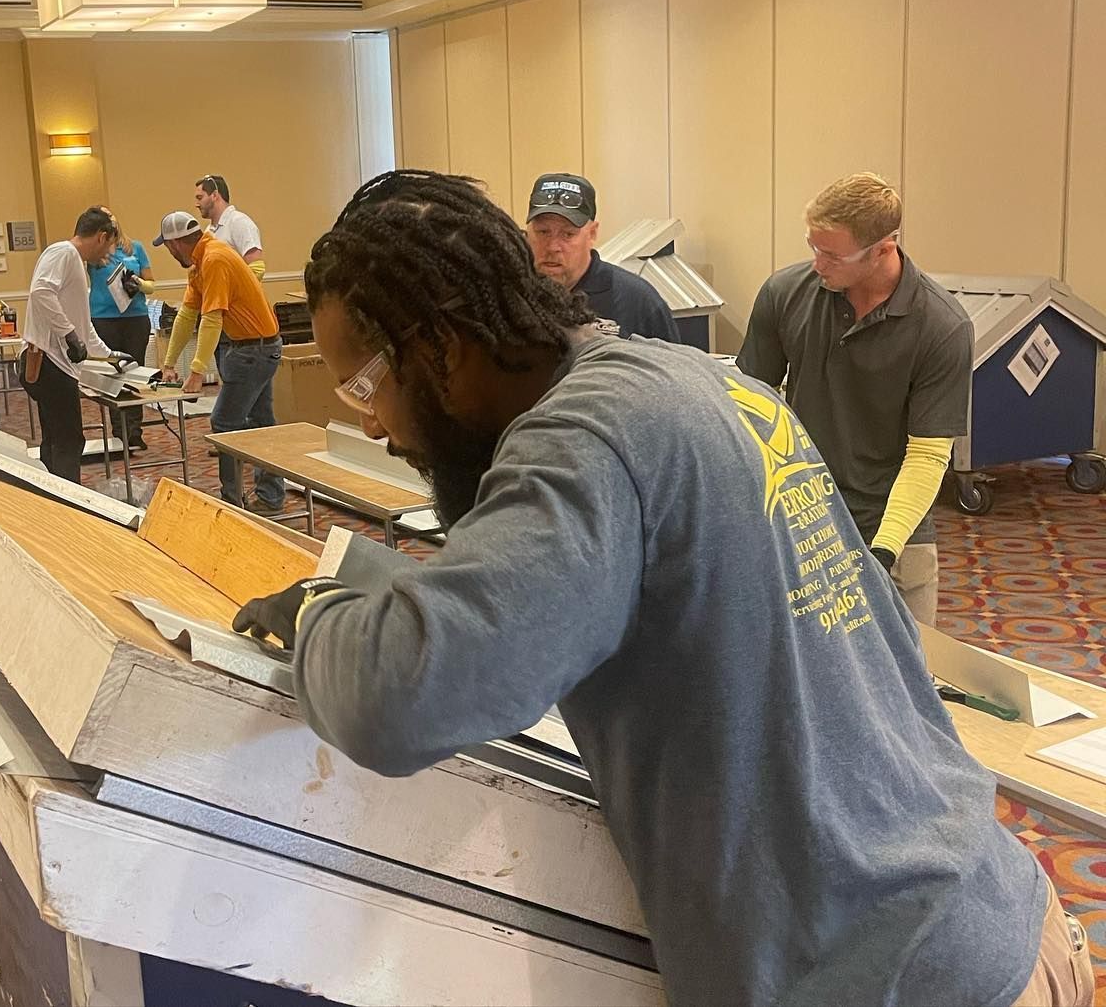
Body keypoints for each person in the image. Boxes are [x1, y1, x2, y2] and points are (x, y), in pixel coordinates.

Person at [232, 171, 1085, 1007]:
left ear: (441, 350)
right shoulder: (709, 384)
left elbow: (399, 699)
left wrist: (323, 613)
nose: (371, 424)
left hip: (900, 976)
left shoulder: (584, 438)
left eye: (364, 387)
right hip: (1000, 913)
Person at [737, 173, 972, 626]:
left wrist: (883, 552)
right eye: (814, 247)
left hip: (894, 525)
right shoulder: (784, 293)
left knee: (907, 663)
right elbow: (750, 408)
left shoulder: (942, 327)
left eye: (833, 255)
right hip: (801, 517)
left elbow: (927, 456)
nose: (818, 264)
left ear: (884, 248)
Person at [154, 211, 284, 513]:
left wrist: (197, 371)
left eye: (168, 247)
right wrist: (169, 364)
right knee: (261, 423)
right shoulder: (200, 263)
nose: (169, 252)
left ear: (176, 243)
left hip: (254, 351)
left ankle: (232, 503)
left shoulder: (214, 259)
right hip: (255, 348)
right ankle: (270, 496)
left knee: (224, 422)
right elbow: (187, 315)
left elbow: (212, 319)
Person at [20, 206, 133, 484]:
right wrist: (69, 335)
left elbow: (82, 324)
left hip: (54, 364)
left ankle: (52, 493)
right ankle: (66, 499)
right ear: (101, 236)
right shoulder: (64, 253)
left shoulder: (75, 261)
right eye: (108, 245)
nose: (107, 254)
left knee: (57, 438)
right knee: (68, 440)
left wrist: (109, 355)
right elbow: (41, 292)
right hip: (50, 363)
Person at [524, 173, 679, 343]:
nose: (553, 247)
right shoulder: (512, 295)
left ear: (592, 233)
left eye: (567, 234)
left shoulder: (637, 302)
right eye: (543, 232)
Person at [88, 210, 156, 448]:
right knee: (113, 374)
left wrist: (139, 283)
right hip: (104, 319)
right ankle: (119, 432)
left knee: (135, 373)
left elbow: (151, 284)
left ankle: (135, 431)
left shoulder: (135, 248)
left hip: (135, 318)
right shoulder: (94, 254)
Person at [194, 174, 266, 279]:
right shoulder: (208, 231)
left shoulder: (240, 223)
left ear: (214, 195)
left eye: (200, 198)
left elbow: (257, 269)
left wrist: (229, 287)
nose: (197, 204)